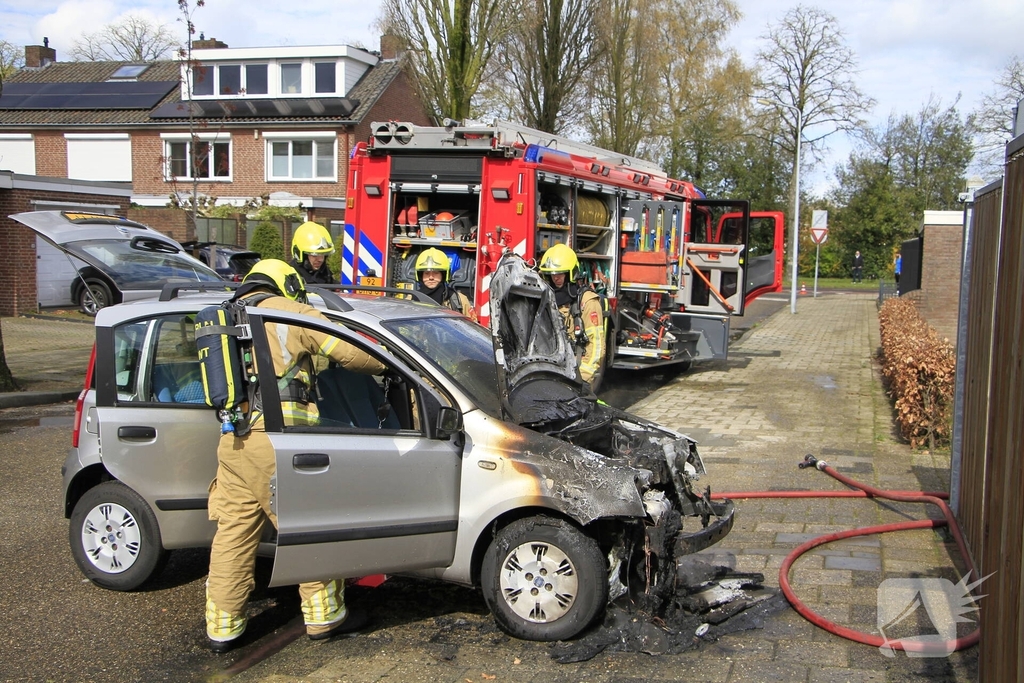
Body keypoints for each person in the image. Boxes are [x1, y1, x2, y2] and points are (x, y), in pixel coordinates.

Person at [205, 259, 383, 653]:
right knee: (309, 529)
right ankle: (324, 617)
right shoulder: (288, 312)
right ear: (287, 284)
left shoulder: (224, 317)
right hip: (281, 445)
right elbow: (357, 356)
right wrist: (388, 357)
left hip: (234, 443)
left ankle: (223, 627)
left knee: (233, 535)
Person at [538, 243, 606, 387]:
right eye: (551, 274)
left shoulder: (587, 301)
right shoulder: (547, 300)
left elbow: (596, 347)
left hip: (577, 376)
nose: (555, 278)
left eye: (560, 273)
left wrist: (582, 380)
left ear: (571, 273)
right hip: (552, 373)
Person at [414, 248, 478, 321]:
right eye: (426, 273)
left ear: (444, 275)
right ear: (420, 276)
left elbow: (472, 326)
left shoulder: (459, 300)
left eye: (436, 273)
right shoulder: (411, 300)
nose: (431, 277)